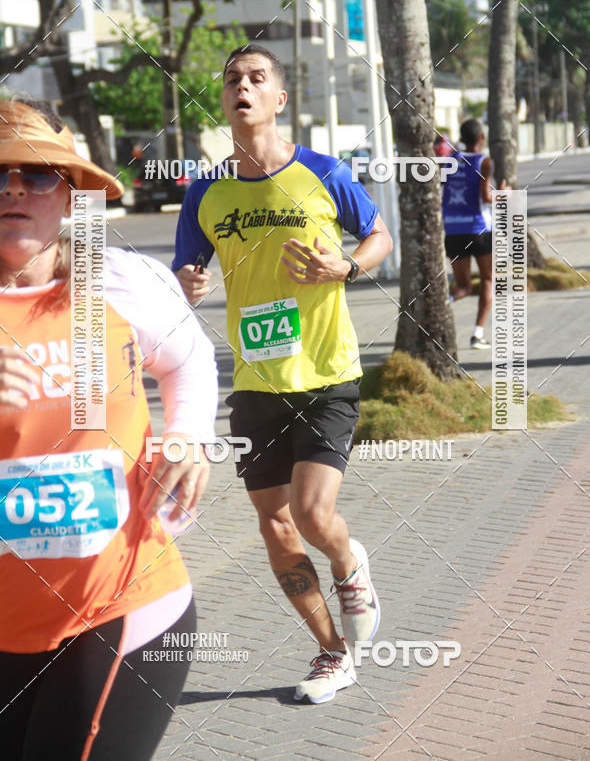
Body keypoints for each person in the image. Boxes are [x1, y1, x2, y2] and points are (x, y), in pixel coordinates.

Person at [173, 44, 393, 704]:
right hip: (255, 385)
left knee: (312, 513)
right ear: (225, 100)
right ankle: (332, 653)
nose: (242, 86)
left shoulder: (324, 171)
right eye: (232, 79)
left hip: (326, 372)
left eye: (256, 77)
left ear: (279, 98)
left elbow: (379, 237)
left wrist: (345, 267)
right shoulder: (205, 192)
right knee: (276, 525)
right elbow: (186, 272)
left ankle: (349, 560)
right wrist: (187, 282)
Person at [0, 99, 218, 759]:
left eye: (38, 174)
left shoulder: (117, 280)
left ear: (70, 194)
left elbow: (189, 358)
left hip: (121, 604)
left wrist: (189, 436)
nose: (14, 187)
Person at [442, 118, 506, 349]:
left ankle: (441, 304)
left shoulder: (449, 161)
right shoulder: (484, 161)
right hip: (479, 230)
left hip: (453, 230)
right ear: (482, 137)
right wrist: (504, 193)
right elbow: (487, 197)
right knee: (488, 279)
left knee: (463, 287)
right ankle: (477, 335)